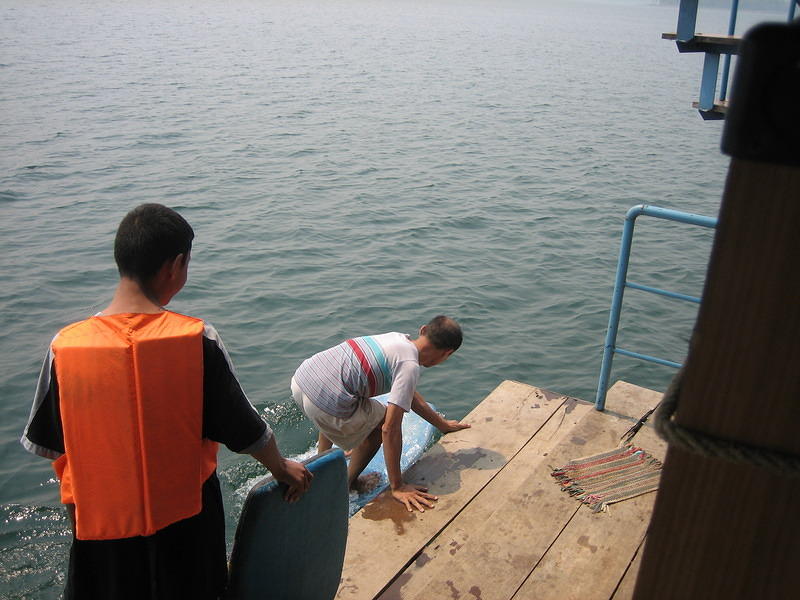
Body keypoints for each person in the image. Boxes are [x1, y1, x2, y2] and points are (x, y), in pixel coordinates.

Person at [20, 203, 312, 600]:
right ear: (175, 266)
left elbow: (48, 445)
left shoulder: (64, 348)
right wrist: (282, 469)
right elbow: (246, 430)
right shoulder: (196, 340)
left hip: (100, 536)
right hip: (186, 529)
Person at [291, 316, 471, 513]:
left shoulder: (397, 339)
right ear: (447, 353)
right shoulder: (409, 366)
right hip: (325, 404)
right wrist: (398, 486)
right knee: (379, 422)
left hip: (302, 381)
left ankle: (322, 458)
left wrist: (442, 424)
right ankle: (347, 484)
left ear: (423, 330)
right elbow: (389, 429)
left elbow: (408, 394)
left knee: (340, 391)